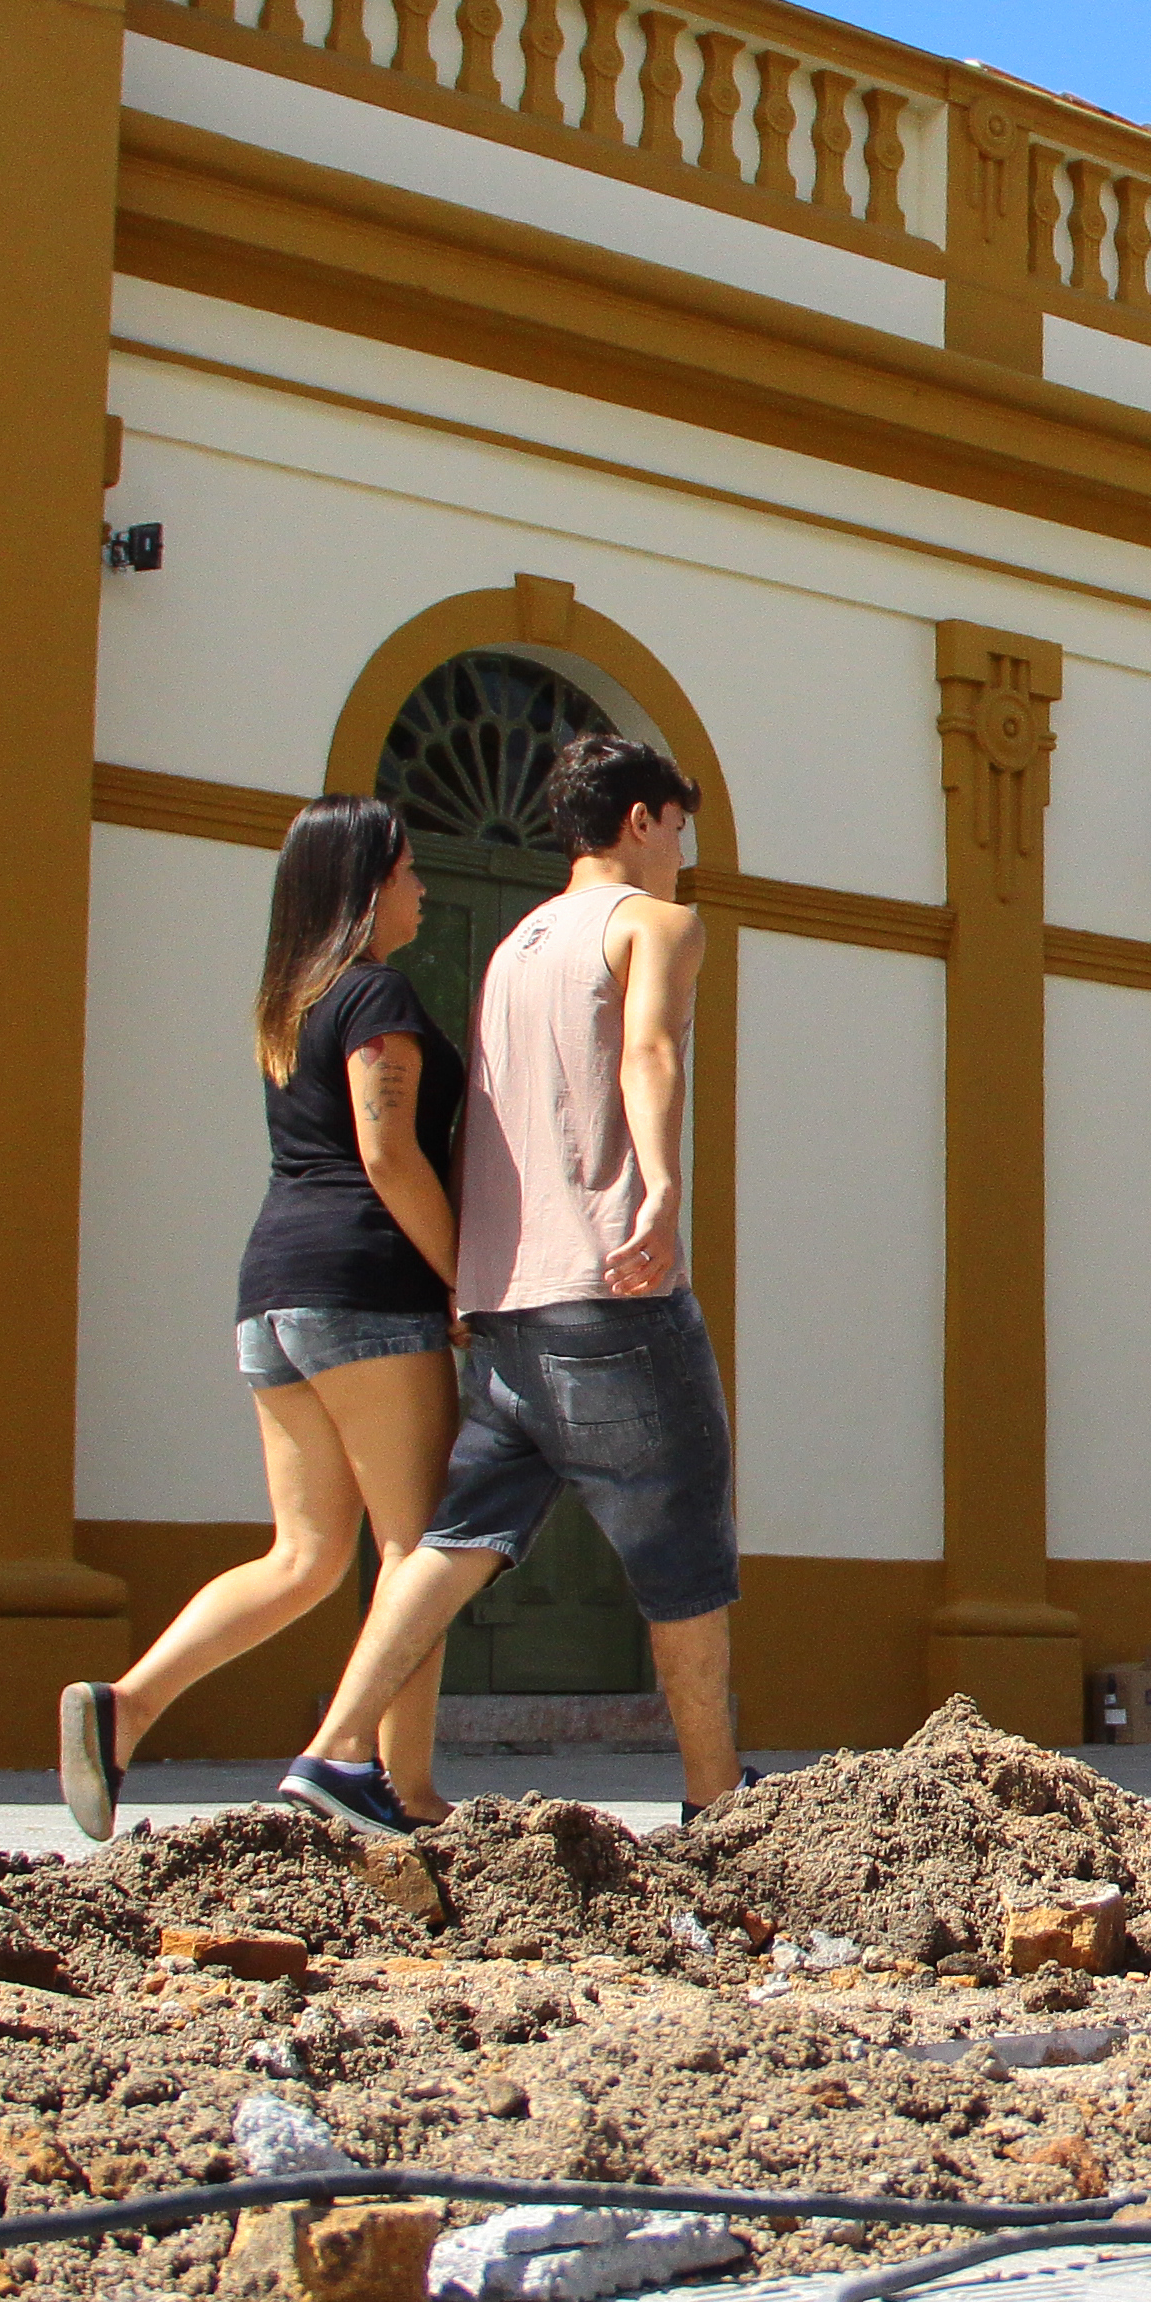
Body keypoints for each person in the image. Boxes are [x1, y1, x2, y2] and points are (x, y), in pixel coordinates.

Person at [276, 729, 735, 1837]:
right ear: (642, 821)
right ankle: (718, 1799)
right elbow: (650, 1053)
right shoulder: (659, 925)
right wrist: (662, 1193)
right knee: (685, 1538)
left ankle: (335, 1755)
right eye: (681, 826)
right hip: (611, 1296)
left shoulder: (512, 946)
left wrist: (472, 1277)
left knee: (461, 1534)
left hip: (504, 1307)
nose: (686, 850)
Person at [56, 797, 466, 1841]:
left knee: (306, 1556)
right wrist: (460, 1279)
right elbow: (387, 1155)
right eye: (410, 870)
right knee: (418, 1550)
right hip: (366, 1290)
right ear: (368, 882)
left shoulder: (291, 1000)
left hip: (271, 1292)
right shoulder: (373, 994)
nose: (424, 889)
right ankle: (401, 1791)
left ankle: (126, 1707)